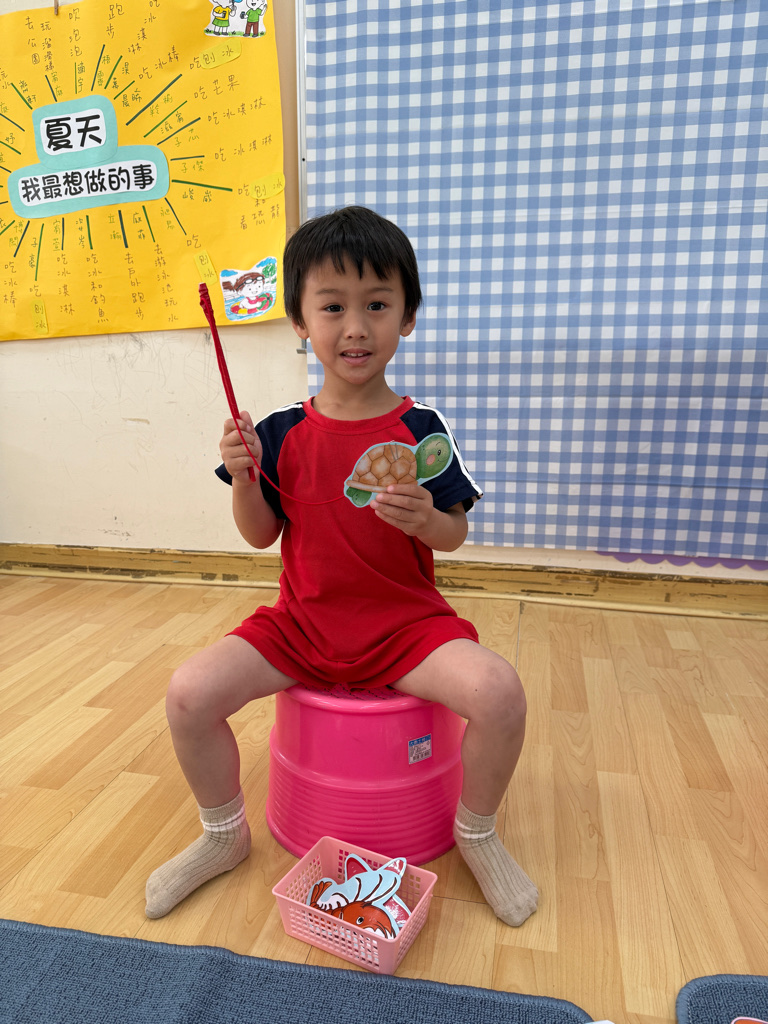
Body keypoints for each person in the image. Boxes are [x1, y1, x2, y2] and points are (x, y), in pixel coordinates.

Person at [145, 206, 538, 928]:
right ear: (300, 320)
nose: (355, 327)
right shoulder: (277, 432)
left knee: (501, 694)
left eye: (377, 305)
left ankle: (477, 834)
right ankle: (222, 836)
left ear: (407, 317)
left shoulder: (422, 429)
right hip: (301, 627)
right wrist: (244, 478)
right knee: (189, 696)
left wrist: (428, 519)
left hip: (406, 628)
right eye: (332, 307)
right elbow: (261, 536)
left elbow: (454, 535)